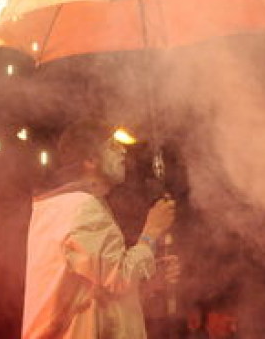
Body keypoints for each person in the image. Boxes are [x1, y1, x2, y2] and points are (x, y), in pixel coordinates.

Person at [22, 120, 176, 339]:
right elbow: (119, 277)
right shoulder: (79, 208)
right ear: (91, 161)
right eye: (113, 146)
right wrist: (151, 232)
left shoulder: (73, 206)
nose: (123, 151)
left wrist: (151, 280)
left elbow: (101, 294)